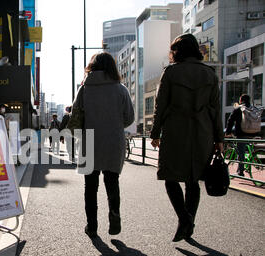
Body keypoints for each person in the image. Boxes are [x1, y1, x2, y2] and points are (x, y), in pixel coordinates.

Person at [150, 33, 224, 242]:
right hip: (203, 132)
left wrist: (155, 133)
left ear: (177, 52)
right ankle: (188, 221)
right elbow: (215, 109)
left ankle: (184, 219)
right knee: (193, 181)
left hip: (175, 131)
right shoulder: (209, 74)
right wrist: (219, 138)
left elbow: (161, 106)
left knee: (170, 177)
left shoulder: (171, 73)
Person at [69, 52, 135, 238]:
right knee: (112, 182)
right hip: (114, 141)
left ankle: (92, 226)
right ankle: (114, 214)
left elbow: (75, 115)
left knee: (90, 188)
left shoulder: (84, 89)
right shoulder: (120, 89)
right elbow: (129, 117)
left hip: (89, 141)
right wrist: (113, 124)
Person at [225, 94, 261, 176]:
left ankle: (240, 171)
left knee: (240, 153)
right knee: (248, 149)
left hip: (241, 134)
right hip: (254, 133)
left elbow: (230, 120)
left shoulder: (238, 108)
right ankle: (253, 161)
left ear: (241, 100)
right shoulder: (253, 108)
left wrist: (228, 132)